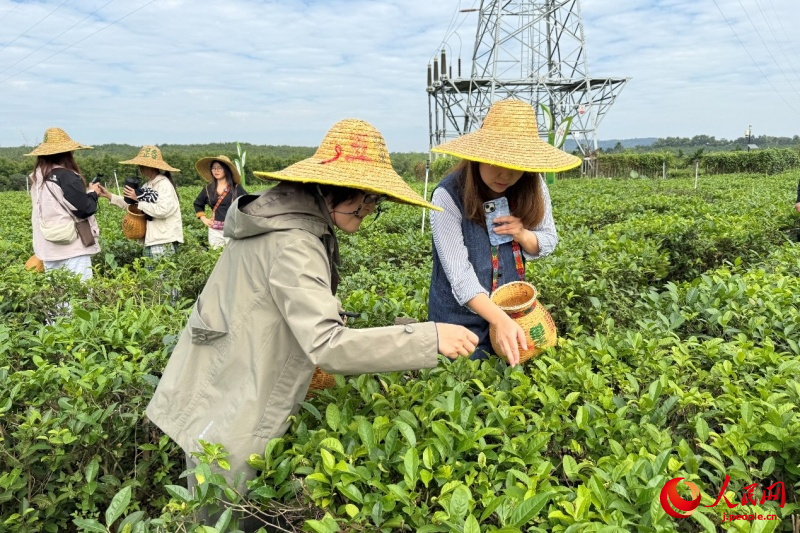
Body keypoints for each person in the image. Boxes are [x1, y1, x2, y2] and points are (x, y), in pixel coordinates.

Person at [145, 118, 479, 504]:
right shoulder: (295, 242)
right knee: (221, 510)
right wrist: (429, 337)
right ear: (336, 190)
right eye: (367, 198)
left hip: (225, 378)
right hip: (233, 395)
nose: (370, 209)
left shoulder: (281, 221)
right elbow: (328, 345)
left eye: (375, 201)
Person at [427, 99, 581, 365]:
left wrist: (522, 234)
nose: (505, 174)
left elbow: (548, 239)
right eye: (496, 161)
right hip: (460, 324)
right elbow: (461, 278)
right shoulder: (447, 195)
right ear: (478, 155)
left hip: (513, 314)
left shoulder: (532, 184)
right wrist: (500, 320)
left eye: (516, 164)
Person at [26, 127, 102, 281]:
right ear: (67, 153)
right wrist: (93, 193)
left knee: (58, 297)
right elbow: (84, 209)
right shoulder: (65, 176)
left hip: (48, 248)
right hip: (71, 248)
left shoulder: (38, 177)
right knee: (79, 298)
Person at [98, 146, 184, 259]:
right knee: (152, 275)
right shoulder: (147, 185)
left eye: (142, 165)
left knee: (161, 276)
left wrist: (138, 199)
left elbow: (163, 210)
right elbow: (133, 207)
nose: (140, 168)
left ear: (150, 166)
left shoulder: (164, 185)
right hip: (151, 239)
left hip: (164, 240)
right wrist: (109, 196)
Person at [193, 155, 247, 248]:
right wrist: (204, 219)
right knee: (215, 256)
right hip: (215, 231)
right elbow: (198, 204)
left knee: (232, 257)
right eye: (213, 168)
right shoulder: (208, 189)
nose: (216, 171)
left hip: (232, 230)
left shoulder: (236, 188)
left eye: (219, 168)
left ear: (226, 170)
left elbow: (247, 203)